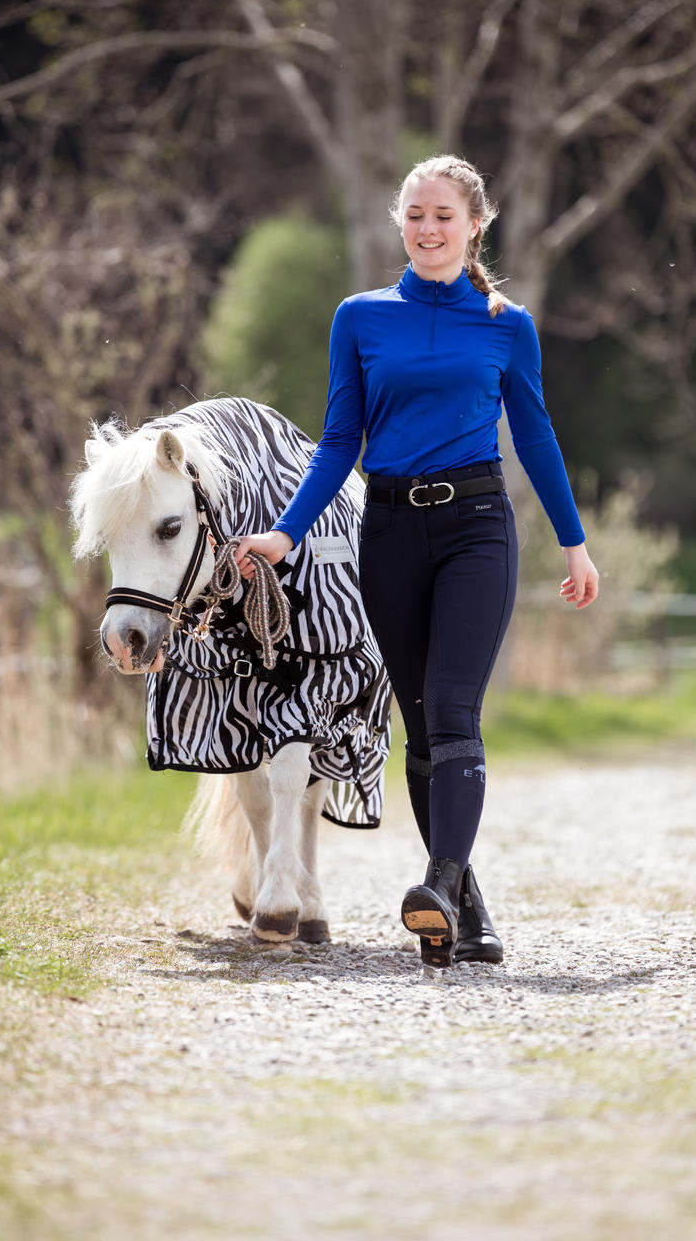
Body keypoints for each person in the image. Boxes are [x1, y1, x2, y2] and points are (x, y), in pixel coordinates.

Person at [234, 154, 598, 969]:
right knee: (420, 725)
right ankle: (464, 908)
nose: (427, 228)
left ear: (475, 225)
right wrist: (286, 533)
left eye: (443, 215)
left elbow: (533, 435)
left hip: (476, 526)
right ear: (398, 223)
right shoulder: (359, 318)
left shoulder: (507, 323)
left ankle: (434, 884)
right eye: (414, 214)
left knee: (453, 710)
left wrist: (573, 541)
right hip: (389, 530)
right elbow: (338, 441)